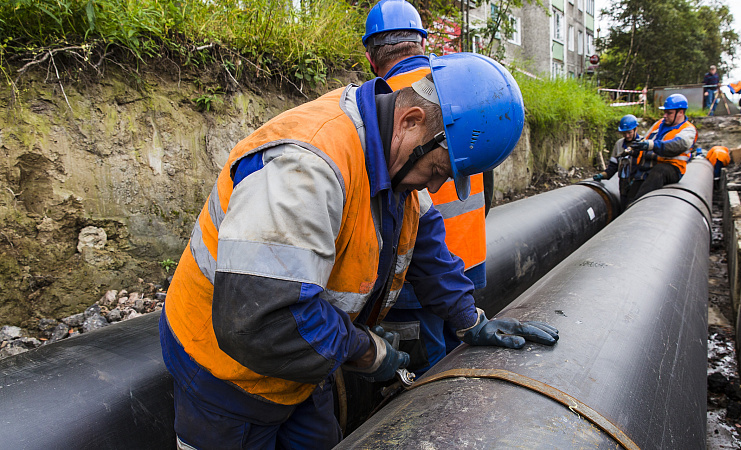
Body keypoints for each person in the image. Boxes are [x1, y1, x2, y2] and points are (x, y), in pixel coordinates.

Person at [159, 52, 560, 450]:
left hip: (298, 366)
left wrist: (468, 320)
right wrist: (365, 350)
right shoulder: (306, 166)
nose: (435, 188)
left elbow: (428, 252)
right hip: (224, 373)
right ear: (411, 121)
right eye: (438, 171)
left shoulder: (394, 162)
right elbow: (261, 318)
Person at [362, 0, 490, 376]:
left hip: (411, 272)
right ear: (422, 42)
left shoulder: (378, 102)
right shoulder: (460, 94)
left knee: (426, 378)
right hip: (466, 260)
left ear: (371, 57)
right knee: (464, 354)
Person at [625, 93, 697, 202]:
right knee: (631, 196)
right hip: (647, 168)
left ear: (681, 112)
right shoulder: (659, 124)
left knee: (659, 171)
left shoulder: (688, 130)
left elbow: (677, 145)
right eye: (665, 112)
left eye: (669, 113)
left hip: (671, 169)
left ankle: (642, 203)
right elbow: (646, 139)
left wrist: (652, 145)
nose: (665, 116)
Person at [593, 114, 641, 211]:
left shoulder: (643, 144)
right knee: (623, 207)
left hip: (638, 185)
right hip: (623, 184)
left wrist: (637, 179)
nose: (627, 136)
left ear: (636, 129)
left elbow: (646, 167)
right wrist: (602, 175)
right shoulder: (619, 144)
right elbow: (613, 166)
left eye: (629, 133)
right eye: (624, 133)